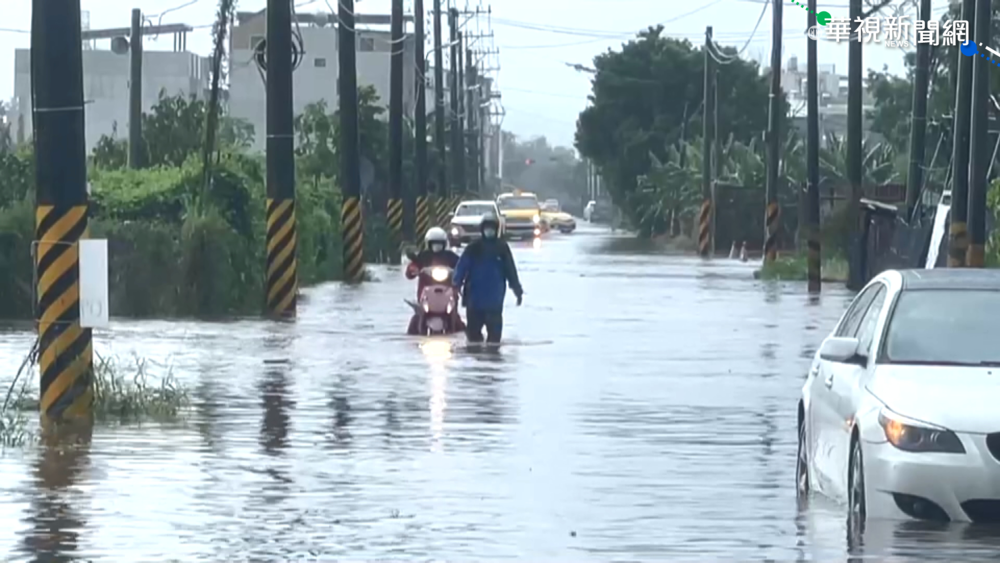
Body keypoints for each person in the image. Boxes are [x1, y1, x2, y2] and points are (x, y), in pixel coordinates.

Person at [452, 214, 524, 344]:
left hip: (494, 301)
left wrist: (517, 290)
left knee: (494, 340)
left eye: (491, 228)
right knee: (473, 338)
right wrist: (456, 285)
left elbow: (510, 271)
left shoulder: (502, 248)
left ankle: (491, 357)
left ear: (496, 229)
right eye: (487, 228)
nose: (489, 231)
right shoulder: (474, 248)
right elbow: (462, 267)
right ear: (482, 229)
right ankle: (476, 359)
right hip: (474, 299)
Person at [406, 227, 465, 333]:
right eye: (433, 244)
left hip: (448, 297)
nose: (436, 247)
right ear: (428, 244)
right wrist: (412, 269)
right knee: (414, 322)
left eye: (439, 244)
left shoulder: (450, 256)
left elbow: (461, 266)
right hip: (426, 298)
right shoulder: (423, 256)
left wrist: (464, 274)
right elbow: (412, 269)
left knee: (458, 323)